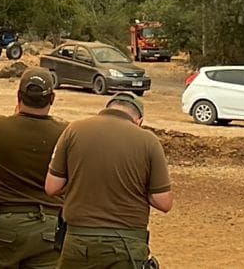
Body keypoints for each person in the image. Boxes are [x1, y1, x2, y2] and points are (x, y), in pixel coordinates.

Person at [43, 93, 172, 269]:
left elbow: (52, 187)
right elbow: (163, 202)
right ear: (139, 120)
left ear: (105, 110)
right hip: (126, 245)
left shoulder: (74, 130)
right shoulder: (148, 141)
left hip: (79, 242)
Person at [0, 68, 66, 269]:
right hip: (49, 228)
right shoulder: (66, 134)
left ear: (18, 96)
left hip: (4, 224)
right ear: (52, 98)